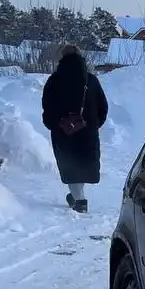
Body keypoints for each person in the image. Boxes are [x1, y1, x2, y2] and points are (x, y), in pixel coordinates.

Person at [41, 45, 108, 214]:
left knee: (70, 165)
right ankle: (76, 196)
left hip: (63, 132)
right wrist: (93, 125)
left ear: (62, 58)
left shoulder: (54, 80)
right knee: (82, 165)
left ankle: (80, 201)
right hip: (87, 132)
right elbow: (103, 106)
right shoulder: (91, 80)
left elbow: (47, 106)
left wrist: (53, 124)